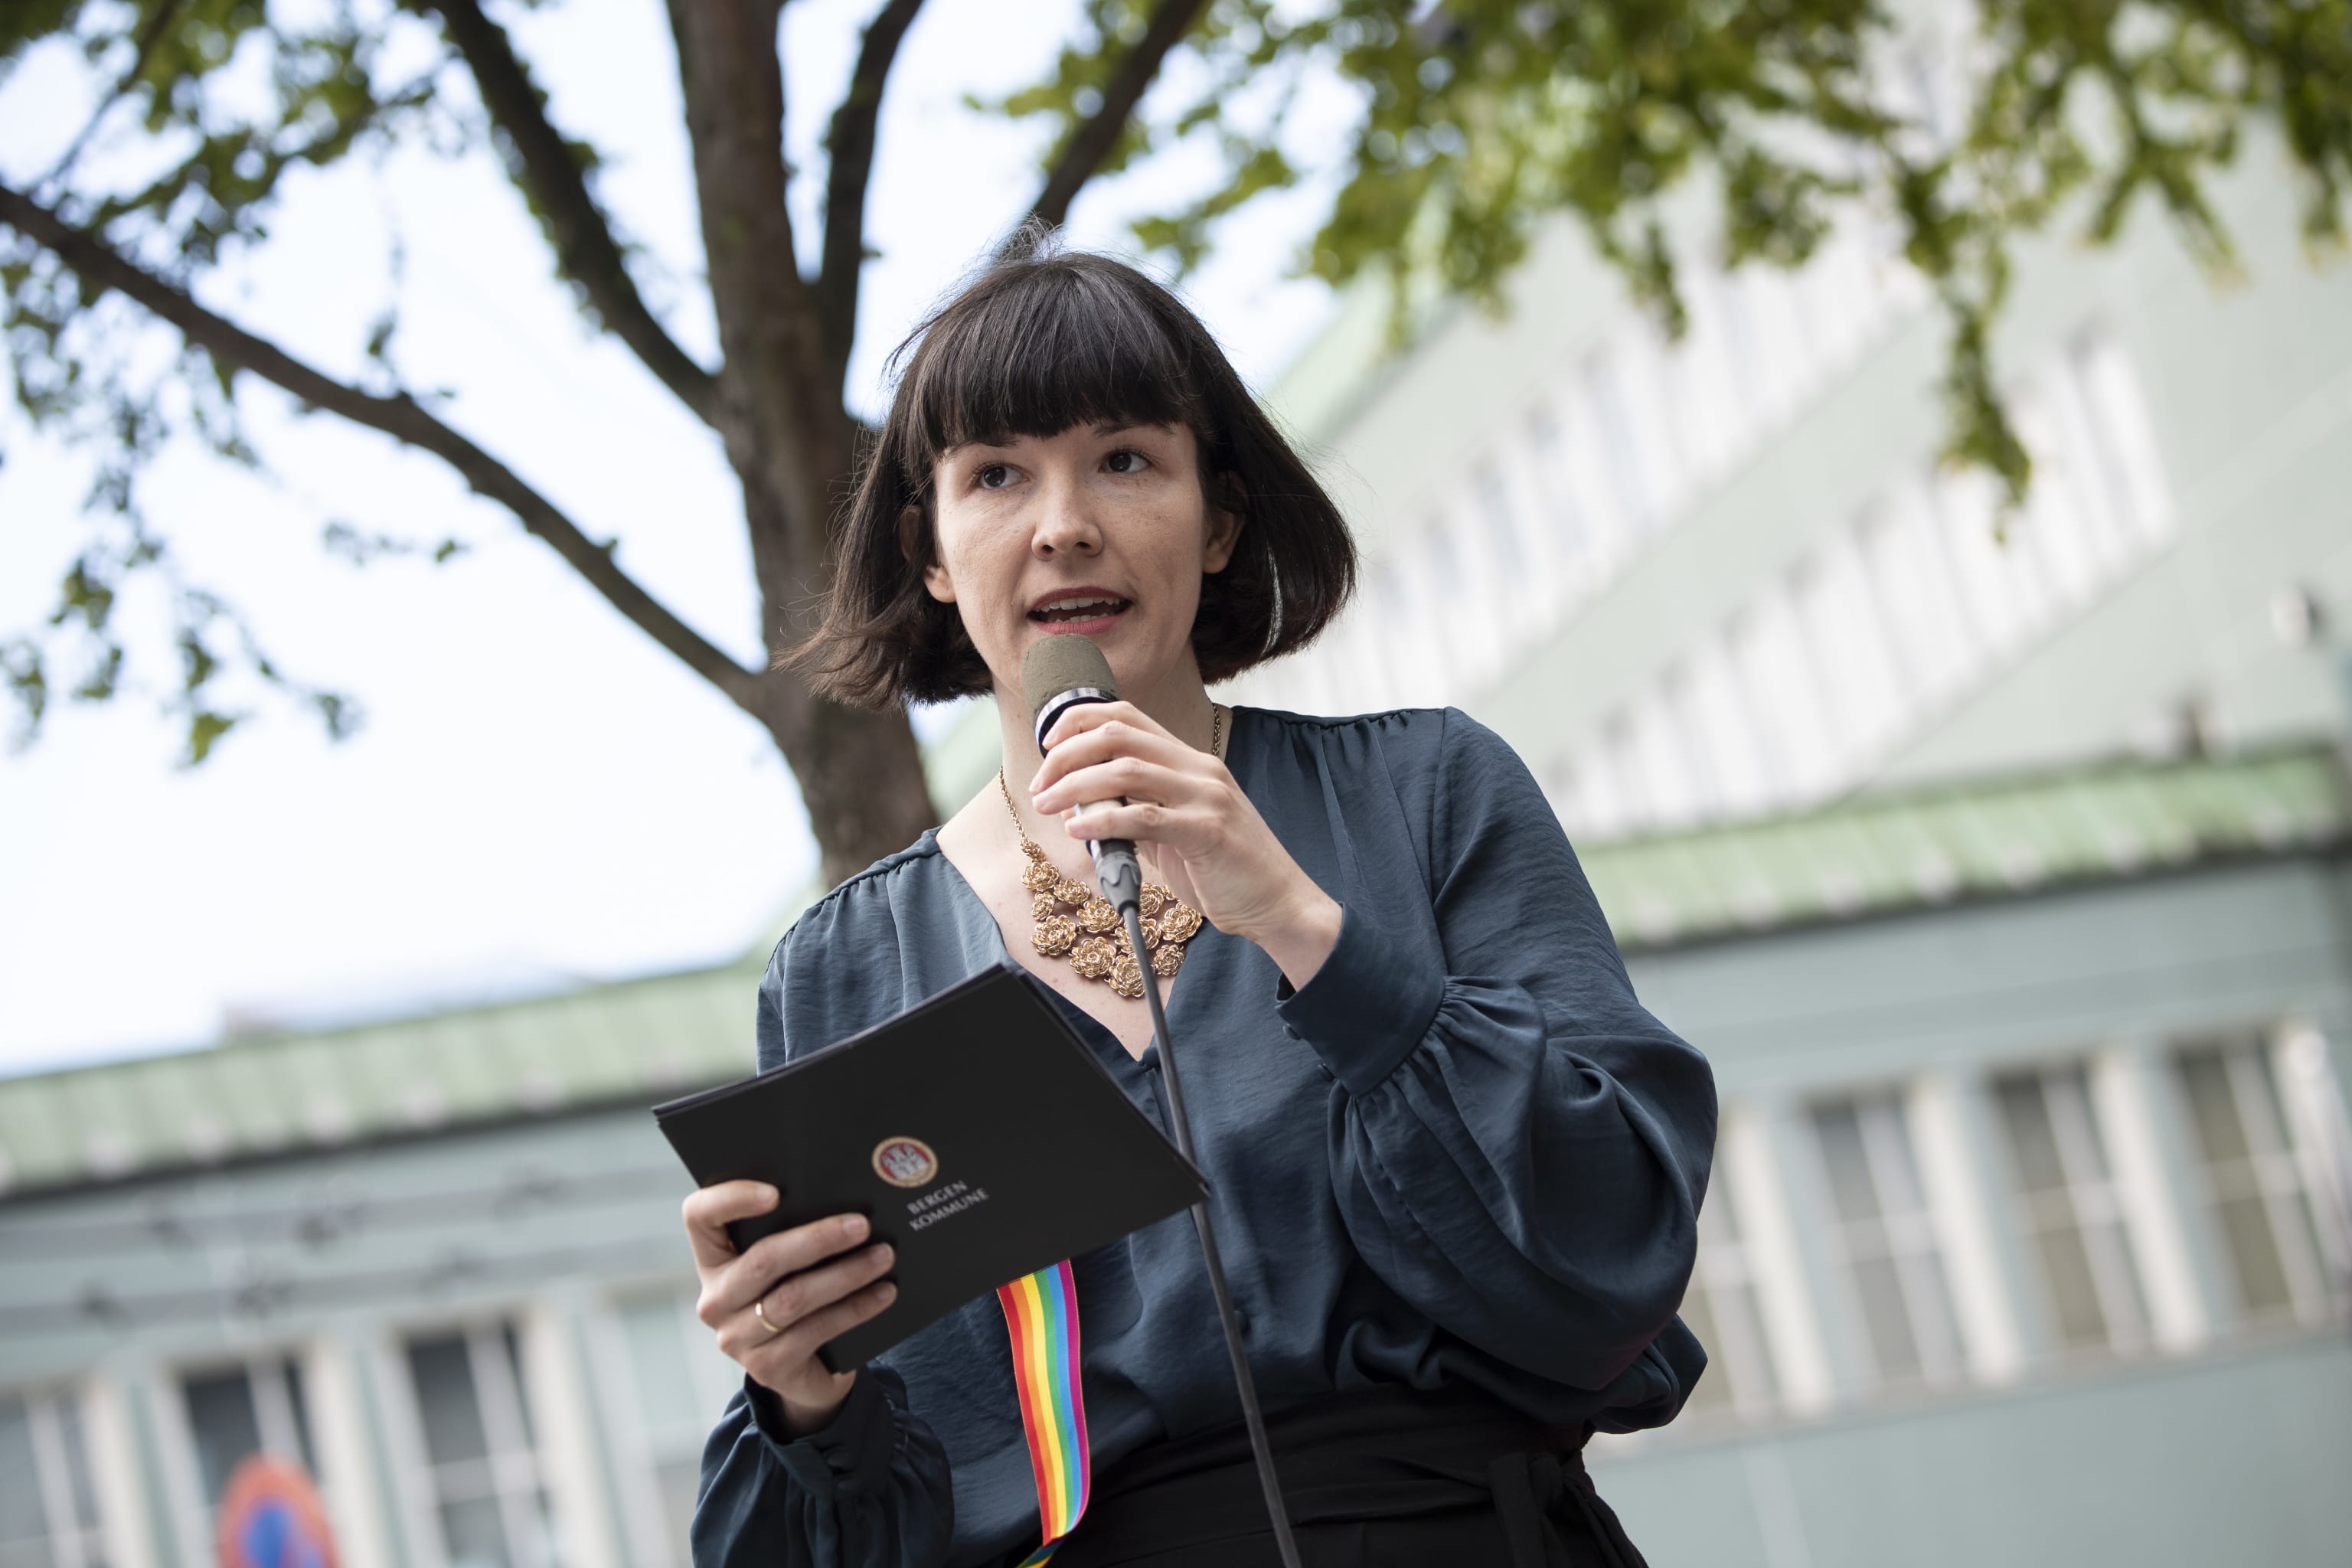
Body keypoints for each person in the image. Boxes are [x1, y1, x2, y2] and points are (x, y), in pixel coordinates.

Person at [680, 233, 1717, 1568]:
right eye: (996, 474)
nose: (1064, 523)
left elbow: (1615, 1247)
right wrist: (797, 1388)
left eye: (1125, 459)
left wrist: (1300, 922)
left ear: (1218, 519)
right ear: (929, 552)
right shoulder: (843, 968)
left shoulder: (1426, 793)